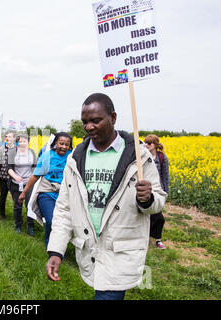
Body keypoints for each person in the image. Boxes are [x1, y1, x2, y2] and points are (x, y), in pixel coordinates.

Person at [45, 93, 167, 300]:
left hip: (120, 250)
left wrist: (146, 199)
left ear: (113, 118)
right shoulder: (76, 157)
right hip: (88, 249)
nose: (89, 127)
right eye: (85, 122)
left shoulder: (138, 155)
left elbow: (159, 200)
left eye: (95, 120)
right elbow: (65, 208)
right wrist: (56, 250)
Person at [19, 132, 72, 247]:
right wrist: (24, 192)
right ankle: (50, 244)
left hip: (64, 193)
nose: (64, 147)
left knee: (63, 222)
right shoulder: (47, 156)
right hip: (47, 192)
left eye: (66, 145)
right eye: (61, 143)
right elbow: (35, 175)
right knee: (51, 220)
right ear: (55, 143)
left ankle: (60, 245)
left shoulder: (71, 156)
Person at [8, 134, 37, 236]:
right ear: (17, 142)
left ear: (28, 142)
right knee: (17, 205)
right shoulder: (13, 153)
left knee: (30, 205)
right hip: (16, 183)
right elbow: (9, 168)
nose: (22, 143)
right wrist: (15, 177)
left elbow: (35, 167)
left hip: (29, 184)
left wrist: (32, 178)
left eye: (24, 141)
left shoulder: (32, 152)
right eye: (20, 141)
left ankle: (30, 225)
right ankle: (18, 225)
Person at [144, 134, 169, 249]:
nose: (146, 145)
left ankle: (158, 239)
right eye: (145, 143)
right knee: (145, 215)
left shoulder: (162, 157)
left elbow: (165, 176)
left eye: (149, 143)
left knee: (158, 217)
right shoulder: (143, 156)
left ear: (155, 145)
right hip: (145, 189)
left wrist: (165, 192)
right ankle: (146, 237)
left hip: (157, 190)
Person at [0, 130, 16, 221]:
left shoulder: (17, 150)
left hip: (14, 179)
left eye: (9, 136)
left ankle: (16, 216)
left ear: (14, 138)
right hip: (3, 178)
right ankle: (2, 214)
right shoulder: (1, 149)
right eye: (6, 136)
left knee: (16, 199)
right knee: (3, 197)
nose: (7, 138)